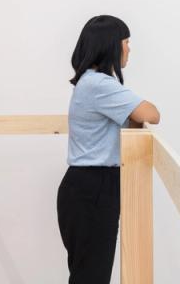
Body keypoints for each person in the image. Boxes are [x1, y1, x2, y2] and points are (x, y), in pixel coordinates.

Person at [56, 15, 160, 284]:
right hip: (93, 189)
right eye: (126, 41)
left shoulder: (90, 82)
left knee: (88, 275)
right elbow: (152, 113)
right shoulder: (100, 85)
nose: (129, 48)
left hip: (87, 188)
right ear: (111, 45)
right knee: (91, 277)